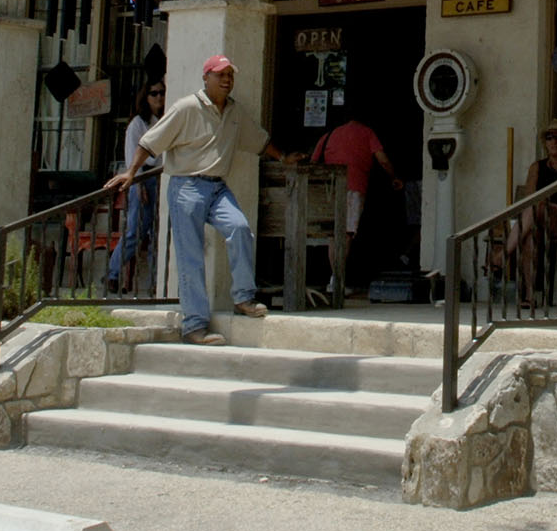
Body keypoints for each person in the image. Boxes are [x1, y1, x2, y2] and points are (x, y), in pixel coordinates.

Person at [103, 56, 301, 345]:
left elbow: (258, 140)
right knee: (191, 256)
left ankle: (244, 297)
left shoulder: (234, 112)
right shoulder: (186, 108)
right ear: (206, 77)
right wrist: (130, 172)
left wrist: (283, 157)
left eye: (231, 75)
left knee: (240, 228)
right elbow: (149, 141)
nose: (227, 80)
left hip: (217, 187)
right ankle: (195, 325)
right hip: (186, 187)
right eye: (221, 74)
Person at [499, 119, 557, 310]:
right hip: (539, 221)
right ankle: (530, 297)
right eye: (550, 137)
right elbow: (530, 199)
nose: (554, 142)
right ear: (545, 142)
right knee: (529, 235)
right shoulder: (537, 167)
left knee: (534, 213)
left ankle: (504, 254)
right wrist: (548, 205)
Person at [311, 108, 394, 289]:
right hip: (354, 188)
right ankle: (338, 280)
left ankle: (334, 278)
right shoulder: (367, 132)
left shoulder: (328, 135)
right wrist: (393, 176)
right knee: (347, 234)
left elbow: (313, 163)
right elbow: (383, 159)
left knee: (333, 235)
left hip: (329, 190)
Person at [105, 80, 166, 294]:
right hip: (142, 179)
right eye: (154, 93)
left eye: (162, 93)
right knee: (135, 231)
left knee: (158, 233)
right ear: (146, 97)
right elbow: (133, 153)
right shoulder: (138, 124)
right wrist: (137, 183)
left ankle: (154, 285)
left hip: (161, 178)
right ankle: (112, 273)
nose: (159, 97)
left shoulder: (166, 120)